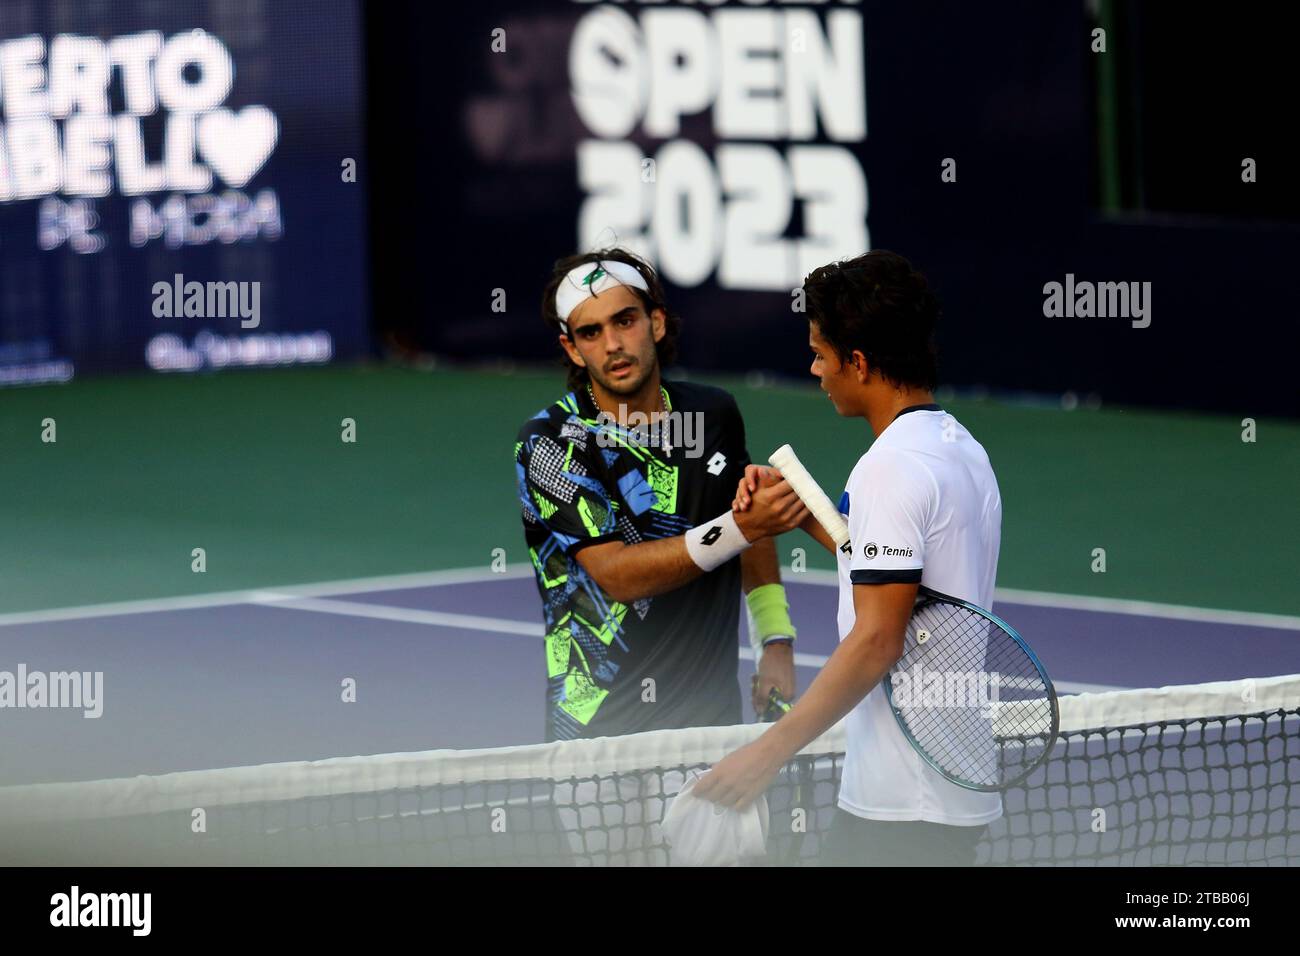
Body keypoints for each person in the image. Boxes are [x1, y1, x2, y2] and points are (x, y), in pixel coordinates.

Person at [695, 250, 1003, 867]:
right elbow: (905, 582)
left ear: (858, 364)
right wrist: (800, 512)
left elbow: (878, 638)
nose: (815, 369)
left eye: (820, 353)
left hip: (901, 809)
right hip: (945, 794)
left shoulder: (889, 468)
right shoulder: (961, 448)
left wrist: (768, 750)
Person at [514, 247, 808, 744]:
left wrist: (774, 638)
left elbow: (746, 512)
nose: (612, 344)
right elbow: (619, 576)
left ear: (656, 322)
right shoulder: (553, 443)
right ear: (572, 349)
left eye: (625, 320)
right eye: (591, 332)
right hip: (601, 738)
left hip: (711, 727)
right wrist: (743, 527)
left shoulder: (713, 414)